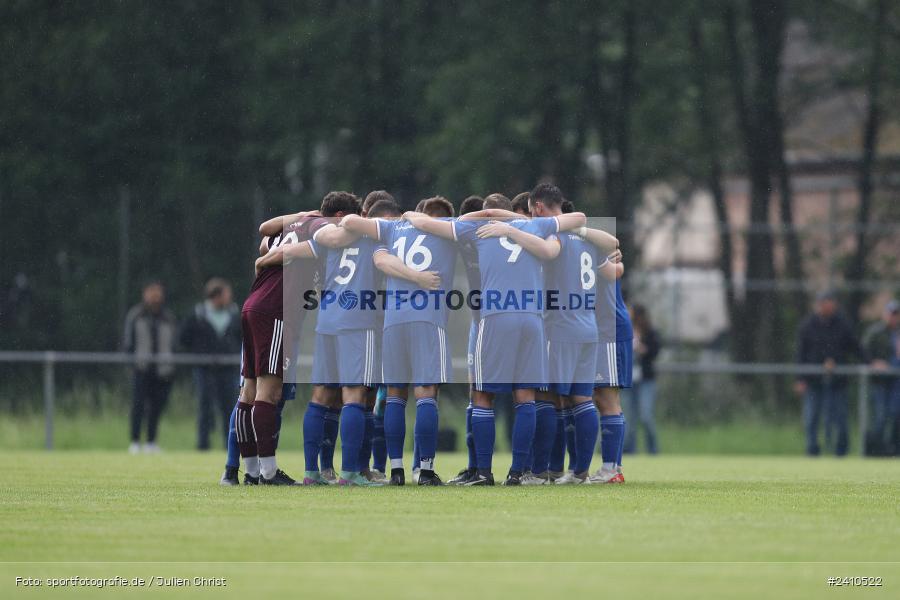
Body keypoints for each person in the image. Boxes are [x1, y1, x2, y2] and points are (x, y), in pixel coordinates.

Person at [405, 184, 586, 485]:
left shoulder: (473, 228)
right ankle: (518, 472)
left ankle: (483, 472)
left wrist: (407, 215)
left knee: (482, 394)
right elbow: (578, 217)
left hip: (496, 315)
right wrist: (515, 224)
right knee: (525, 396)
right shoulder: (536, 225)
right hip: (532, 318)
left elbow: (423, 222)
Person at [341, 196, 455, 485]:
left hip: (394, 321)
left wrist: (402, 219)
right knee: (426, 392)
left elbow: (358, 231)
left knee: (395, 394)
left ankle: (396, 470)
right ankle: (425, 470)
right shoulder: (448, 232)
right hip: (428, 319)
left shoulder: (394, 230)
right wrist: (419, 278)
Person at [794, 291, 865, 457]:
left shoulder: (842, 324)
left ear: (833, 305)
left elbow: (855, 347)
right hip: (813, 380)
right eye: (822, 303)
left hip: (838, 380)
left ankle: (841, 451)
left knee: (840, 418)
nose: (825, 306)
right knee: (811, 417)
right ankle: (812, 450)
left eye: (828, 303)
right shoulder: (807, 325)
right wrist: (800, 378)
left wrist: (869, 362)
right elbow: (800, 354)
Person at [180, 278, 241, 451]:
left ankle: (229, 445)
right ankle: (203, 445)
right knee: (204, 408)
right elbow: (183, 338)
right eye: (226, 294)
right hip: (204, 369)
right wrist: (199, 353)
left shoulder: (234, 314)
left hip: (228, 370)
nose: (229, 298)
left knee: (229, 409)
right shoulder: (198, 314)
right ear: (217, 295)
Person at [123, 281, 175, 454]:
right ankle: (135, 441)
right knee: (138, 406)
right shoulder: (136, 315)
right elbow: (128, 342)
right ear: (144, 294)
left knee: (156, 407)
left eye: (158, 293)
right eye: (151, 292)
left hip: (161, 371)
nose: (155, 296)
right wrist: (132, 364)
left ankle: (151, 442)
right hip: (141, 369)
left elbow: (173, 344)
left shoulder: (167, 317)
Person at [622, 304, 661, 455]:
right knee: (628, 418)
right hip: (628, 379)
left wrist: (642, 349)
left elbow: (655, 351)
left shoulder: (650, 332)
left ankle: (653, 450)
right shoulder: (624, 330)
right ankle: (629, 450)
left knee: (646, 416)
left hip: (646, 380)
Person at [862, 300, 900, 455]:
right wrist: (874, 363)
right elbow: (863, 352)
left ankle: (894, 449)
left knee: (896, 415)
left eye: (896, 314)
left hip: (897, 383)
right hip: (881, 382)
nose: (894, 317)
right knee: (881, 416)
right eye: (892, 314)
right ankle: (878, 451)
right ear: (885, 314)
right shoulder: (875, 332)